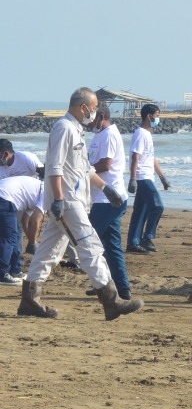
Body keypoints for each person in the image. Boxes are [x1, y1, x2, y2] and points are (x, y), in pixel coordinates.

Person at [18, 87, 139, 321]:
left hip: (71, 201)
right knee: (90, 246)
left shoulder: (77, 131)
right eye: (93, 109)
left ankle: (29, 300)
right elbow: (54, 166)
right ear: (83, 107)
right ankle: (111, 300)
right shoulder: (64, 129)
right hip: (68, 202)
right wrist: (59, 199)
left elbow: (84, 169)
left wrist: (106, 188)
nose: (94, 113)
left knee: (48, 251)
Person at [87, 105, 133, 299]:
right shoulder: (99, 135)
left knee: (89, 241)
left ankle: (105, 284)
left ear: (101, 116)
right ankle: (120, 288)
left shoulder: (109, 135)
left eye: (90, 117)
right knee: (111, 246)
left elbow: (106, 164)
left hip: (109, 199)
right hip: (102, 199)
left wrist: (82, 169)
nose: (88, 121)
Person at [126, 103, 169, 254]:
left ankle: (133, 243)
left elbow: (151, 158)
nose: (158, 118)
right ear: (149, 116)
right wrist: (132, 179)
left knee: (140, 211)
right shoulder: (140, 134)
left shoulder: (147, 134)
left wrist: (162, 177)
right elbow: (135, 157)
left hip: (147, 175)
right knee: (157, 206)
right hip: (142, 177)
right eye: (157, 115)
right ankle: (147, 237)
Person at [0, 140, 45, 258]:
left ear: (5, 153)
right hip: (13, 197)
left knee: (28, 222)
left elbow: (44, 174)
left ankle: (32, 244)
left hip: (34, 193)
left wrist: (43, 198)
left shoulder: (26, 158)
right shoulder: (2, 167)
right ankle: (19, 257)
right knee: (15, 228)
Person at [0, 176, 43, 285]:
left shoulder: (35, 192)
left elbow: (25, 221)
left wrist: (31, 241)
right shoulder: (47, 194)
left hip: (5, 196)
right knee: (9, 237)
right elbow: (35, 221)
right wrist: (33, 243)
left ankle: (14, 270)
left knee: (14, 233)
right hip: (5, 198)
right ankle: (2, 274)